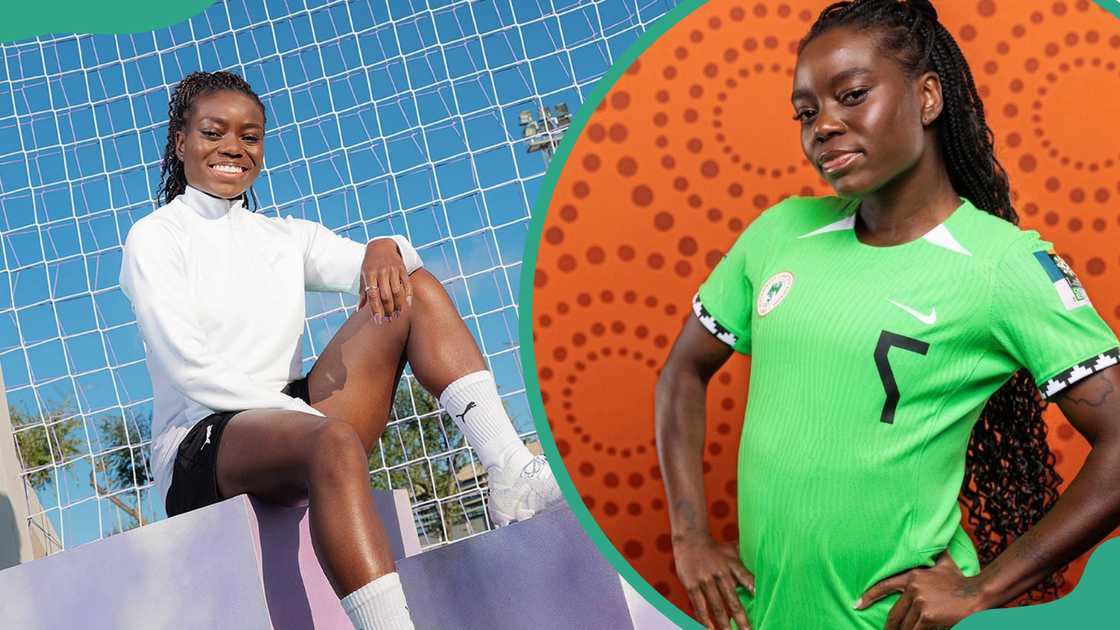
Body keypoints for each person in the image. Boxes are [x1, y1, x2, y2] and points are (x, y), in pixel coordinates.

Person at [655, 1, 1120, 629]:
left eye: (852, 95)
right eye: (807, 112)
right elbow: (683, 368)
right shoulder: (779, 234)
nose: (823, 126)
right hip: (765, 612)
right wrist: (689, 539)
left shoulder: (1002, 265)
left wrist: (983, 590)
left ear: (927, 98)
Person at [119, 71, 561, 630]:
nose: (233, 147)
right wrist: (305, 418)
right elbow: (189, 369)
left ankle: (511, 475)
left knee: (414, 291)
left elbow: (389, 265)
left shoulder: (284, 236)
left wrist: (385, 245)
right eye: (213, 132)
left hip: (289, 418)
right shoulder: (156, 237)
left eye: (250, 136)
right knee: (328, 440)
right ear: (181, 142)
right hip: (204, 438)